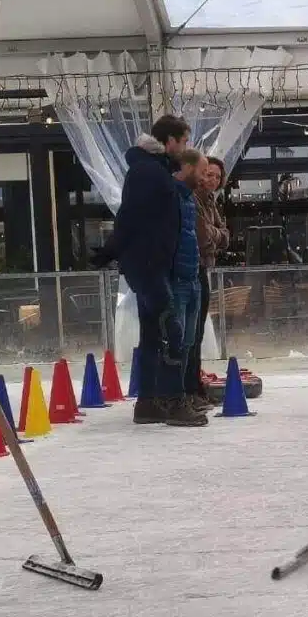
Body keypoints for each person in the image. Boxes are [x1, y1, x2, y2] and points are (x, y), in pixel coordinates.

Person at [103, 114, 206, 426]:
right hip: (150, 267)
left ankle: (148, 402)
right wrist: (117, 252)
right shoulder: (149, 171)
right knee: (171, 330)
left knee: (152, 334)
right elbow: (132, 218)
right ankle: (173, 401)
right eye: (184, 141)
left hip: (150, 265)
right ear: (170, 141)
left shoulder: (154, 169)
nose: (185, 147)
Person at [185, 156, 230, 407]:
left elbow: (225, 235)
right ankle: (190, 387)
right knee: (192, 331)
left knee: (198, 330)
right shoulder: (193, 198)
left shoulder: (210, 201)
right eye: (209, 174)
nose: (212, 180)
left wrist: (216, 235)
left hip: (203, 267)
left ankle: (194, 385)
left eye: (217, 176)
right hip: (194, 267)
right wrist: (216, 235)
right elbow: (203, 235)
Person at [170, 150, 209, 417]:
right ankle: (175, 397)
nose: (205, 178)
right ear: (188, 167)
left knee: (190, 342)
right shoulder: (172, 196)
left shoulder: (189, 199)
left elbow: (199, 236)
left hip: (192, 276)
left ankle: (185, 393)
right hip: (178, 280)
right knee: (178, 343)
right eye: (203, 172)